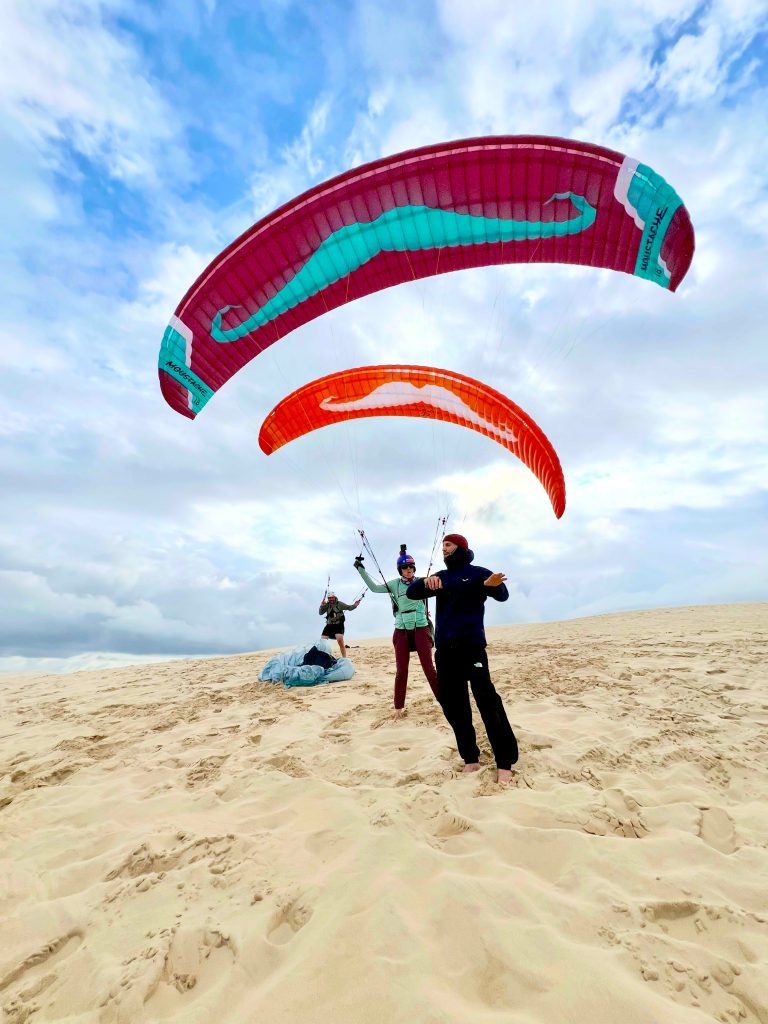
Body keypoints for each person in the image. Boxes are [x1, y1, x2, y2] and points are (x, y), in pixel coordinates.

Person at [406, 533, 518, 783]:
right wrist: (426, 581)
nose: (444, 548)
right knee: (455, 705)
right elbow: (413, 593)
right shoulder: (441, 577)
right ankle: (470, 758)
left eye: (448, 544)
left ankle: (504, 761)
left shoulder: (478, 573)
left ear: (460, 547)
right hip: (445, 651)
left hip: (472, 647)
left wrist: (494, 585)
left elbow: (503, 594)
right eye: (443, 545)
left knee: (487, 700)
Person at [354, 546, 439, 717]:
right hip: (401, 630)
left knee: (429, 668)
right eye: (405, 568)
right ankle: (398, 707)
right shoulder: (394, 584)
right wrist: (360, 569)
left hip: (421, 627)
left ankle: (445, 701)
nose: (409, 570)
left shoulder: (422, 581)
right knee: (402, 671)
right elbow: (374, 588)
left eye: (411, 567)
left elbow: (439, 587)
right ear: (400, 570)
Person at [318, 591, 361, 658]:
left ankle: (344, 658)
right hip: (329, 625)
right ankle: (323, 657)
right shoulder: (327, 605)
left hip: (338, 625)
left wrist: (355, 605)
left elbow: (349, 608)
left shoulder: (340, 604)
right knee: (322, 642)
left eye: (332, 598)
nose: (331, 599)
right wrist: (321, 606)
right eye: (329, 598)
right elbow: (320, 613)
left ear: (335, 597)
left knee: (340, 641)